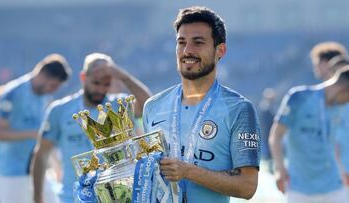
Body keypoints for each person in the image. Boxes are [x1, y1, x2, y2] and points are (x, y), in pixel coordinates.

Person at [143, 7, 260, 203]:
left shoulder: (238, 109)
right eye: (181, 43)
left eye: (198, 42)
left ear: (219, 50)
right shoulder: (153, 106)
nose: (188, 50)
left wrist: (188, 171)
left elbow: (248, 186)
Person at [32, 52, 152, 203]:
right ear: (83, 77)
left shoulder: (121, 104)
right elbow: (41, 154)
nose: (101, 89)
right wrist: (37, 197)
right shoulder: (59, 110)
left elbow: (150, 106)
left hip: (120, 196)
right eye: (96, 83)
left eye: (106, 84)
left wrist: (124, 77)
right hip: (74, 197)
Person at [0, 54, 72, 203]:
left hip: (37, 171)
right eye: (52, 86)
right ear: (43, 75)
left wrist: (56, 166)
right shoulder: (13, 93)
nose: (52, 91)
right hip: (11, 173)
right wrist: (32, 134)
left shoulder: (45, 98)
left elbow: (46, 137)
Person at [269, 57, 349, 202]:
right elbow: (276, 135)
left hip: (335, 187)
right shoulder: (298, 97)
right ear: (344, 89)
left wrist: (343, 171)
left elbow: (333, 144)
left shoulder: (338, 107)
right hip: (300, 189)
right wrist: (280, 169)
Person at [310, 42, 349, 190]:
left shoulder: (338, 99)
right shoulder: (320, 98)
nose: (315, 68)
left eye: (316, 63)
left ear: (325, 63)